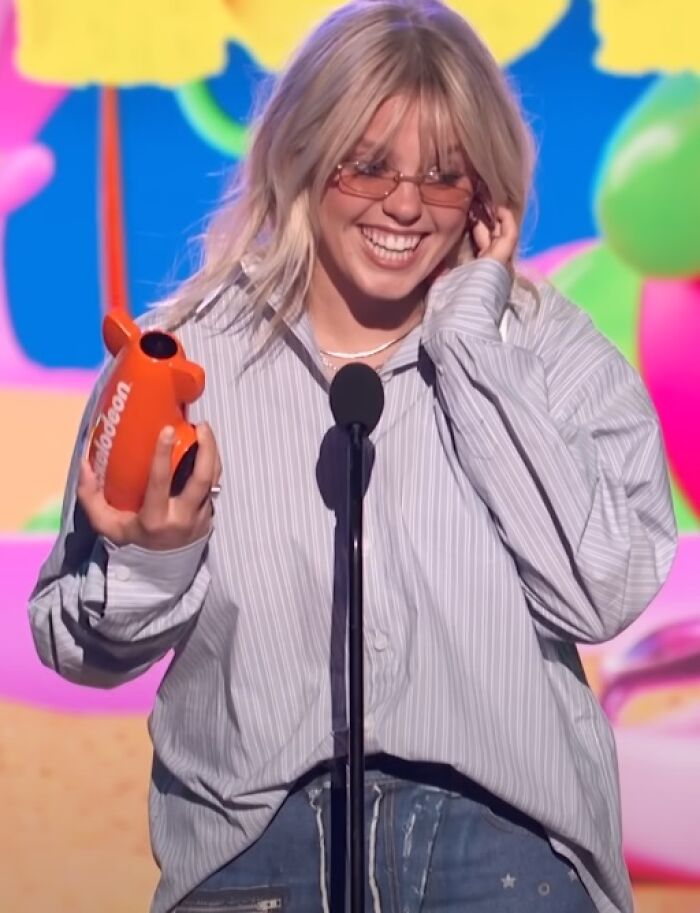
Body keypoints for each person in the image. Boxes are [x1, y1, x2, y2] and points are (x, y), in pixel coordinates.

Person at [28, 1, 677, 911]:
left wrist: (474, 348)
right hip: (258, 856)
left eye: (443, 175)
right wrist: (152, 558)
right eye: (368, 165)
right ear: (301, 155)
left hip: (499, 855)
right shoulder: (182, 360)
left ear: (484, 193)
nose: (405, 205)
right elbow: (77, 645)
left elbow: (601, 592)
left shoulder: (549, 352)